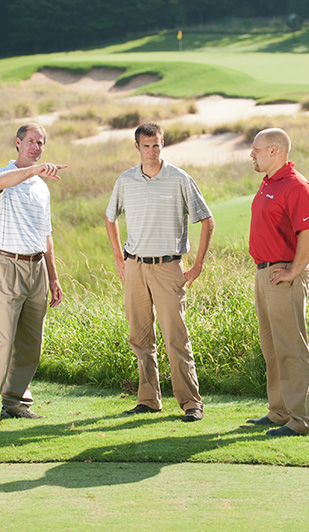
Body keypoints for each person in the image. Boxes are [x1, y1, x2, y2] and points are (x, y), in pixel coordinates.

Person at [105, 122, 215, 423]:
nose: (152, 151)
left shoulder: (179, 179)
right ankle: (148, 399)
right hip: (135, 266)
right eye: (146, 146)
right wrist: (119, 257)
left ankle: (192, 403)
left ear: (162, 144)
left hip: (168, 267)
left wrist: (198, 265)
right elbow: (109, 217)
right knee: (140, 338)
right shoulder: (126, 181)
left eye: (157, 145)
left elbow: (207, 220)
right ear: (137, 147)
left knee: (175, 338)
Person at [0, 123, 66, 427]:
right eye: (31, 142)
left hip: (37, 267)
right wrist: (34, 170)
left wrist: (53, 277)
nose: (37, 147)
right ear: (18, 143)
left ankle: (15, 403)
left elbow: (47, 234)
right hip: (7, 265)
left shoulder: (42, 187)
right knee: (3, 341)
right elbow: (1, 182)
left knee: (31, 343)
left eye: (41, 143)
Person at [245, 127, 309, 437]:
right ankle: (280, 412)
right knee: (272, 347)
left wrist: (293, 271)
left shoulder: (296, 186)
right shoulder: (268, 183)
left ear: (274, 151)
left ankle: (302, 421)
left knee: (291, 348)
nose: (252, 154)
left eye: (256, 149)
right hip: (265, 274)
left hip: (283, 274)